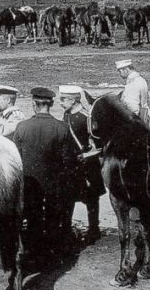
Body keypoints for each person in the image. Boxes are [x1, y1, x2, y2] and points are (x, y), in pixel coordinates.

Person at [13, 87, 78, 258]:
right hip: (54, 184)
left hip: (29, 183)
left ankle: (34, 252)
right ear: (52, 104)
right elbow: (68, 161)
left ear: (34, 104)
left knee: (32, 219)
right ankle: (50, 254)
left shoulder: (22, 127)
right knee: (52, 219)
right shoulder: (62, 127)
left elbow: (16, 160)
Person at [59, 85, 104, 243]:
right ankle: (67, 229)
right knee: (69, 197)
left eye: (63, 99)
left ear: (73, 100)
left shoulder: (87, 117)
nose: (60, 103)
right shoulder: (67, 114)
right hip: (71, 165)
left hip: (87, 164)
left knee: (91, 198)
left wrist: (87, 155)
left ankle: (94, 229)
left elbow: (99, 143)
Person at [116, 59, 150, 127]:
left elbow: (132, 107)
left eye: (120, 71)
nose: (119, 74)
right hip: (144, 116)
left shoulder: (133, 84)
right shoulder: (140, 80)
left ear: (126, 69)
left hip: (135, 121)